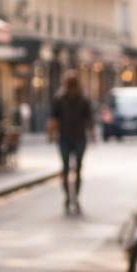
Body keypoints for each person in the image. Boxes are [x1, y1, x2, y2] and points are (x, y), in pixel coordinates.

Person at [48, 73, 94, 214]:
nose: (72, 88)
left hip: (79, 137)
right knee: (65, 168)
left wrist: (92, 134)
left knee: (78, 168)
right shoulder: (59, 99)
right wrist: (51, 133)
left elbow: (89, 118)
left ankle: (76, 197)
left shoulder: (83, 99)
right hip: (64, 138)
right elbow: (54, 118)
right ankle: (68, 197)